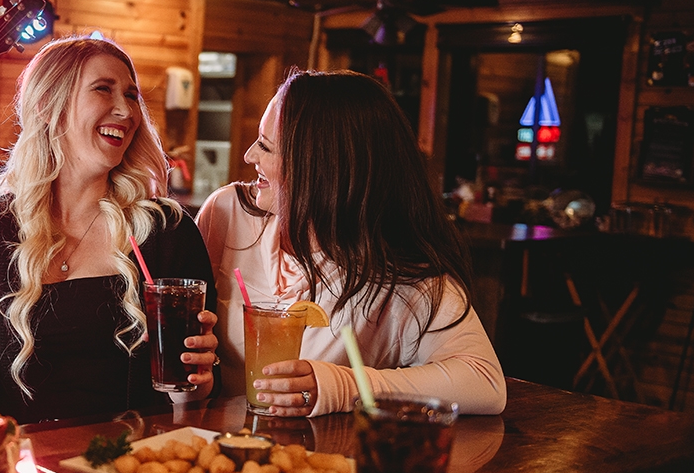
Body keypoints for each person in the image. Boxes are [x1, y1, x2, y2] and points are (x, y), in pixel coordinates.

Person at [0, 35, 219, 424]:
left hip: (138, 465)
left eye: (131, 96)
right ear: (49, 107)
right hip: (23, 469)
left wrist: (198, 378)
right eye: (103, 89)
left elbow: (193, 399)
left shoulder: (168, 232)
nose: (126, 111)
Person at [196, 69, 505, 418]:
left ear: (321, 167)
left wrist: (344, 386)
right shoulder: (228, 213)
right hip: (213, 451)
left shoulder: (397, 269)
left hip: (321, 462)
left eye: (266, 146)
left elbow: (485, 384)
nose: (250, 156)